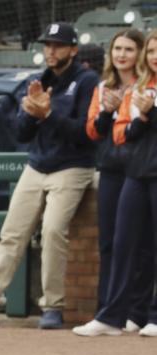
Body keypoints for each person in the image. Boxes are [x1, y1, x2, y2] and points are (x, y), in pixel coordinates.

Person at [0, 22, 98, 330]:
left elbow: (85, 133)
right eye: (48, 45)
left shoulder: (86, 81)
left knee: (54, 231)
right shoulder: (40, 80)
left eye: (57, 45)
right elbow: (20, 131)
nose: (51, 50)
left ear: (73, 49)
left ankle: (52, 306)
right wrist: (30, 114)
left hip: (72, 167)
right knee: (12, 233)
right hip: (37, 165)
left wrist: (49, 115)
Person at [74, 29, 157, 338]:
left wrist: (151, 114)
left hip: (149, 172)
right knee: (119, 244)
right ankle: (112, 315)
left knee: (150, 247)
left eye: (153, 51)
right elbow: (119, 133)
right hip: (130, 171)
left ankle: (149, 313)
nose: (153, 57)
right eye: (150, 51)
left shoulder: (141, 90)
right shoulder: (130, 88)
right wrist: (131, 117)